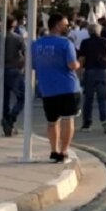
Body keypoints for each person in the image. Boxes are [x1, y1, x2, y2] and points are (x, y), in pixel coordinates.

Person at [32, 14, 81, 163]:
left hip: (47, 88)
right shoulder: (66, 43)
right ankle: (64, 151)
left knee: (52, 121)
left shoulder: (36, 44)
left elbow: (34, 65)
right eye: (66, 25)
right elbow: (72, 65)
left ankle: (54, 150)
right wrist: (78, 65)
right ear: (58, 25)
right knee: (67, 120)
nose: (68, 27)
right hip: (67, 87)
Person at [79, 23, 106, 134]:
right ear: (99, 31)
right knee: (102, 98)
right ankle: (104, 120)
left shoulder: (85, 43)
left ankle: (87, 124)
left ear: (89, 32)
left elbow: (82, 59)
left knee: (88, 99)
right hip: (102, 71)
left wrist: (79, 73)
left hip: (89, 71)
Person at [0, 17, 25, 137]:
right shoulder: (17, 38)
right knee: (23, 97)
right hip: (14, 70)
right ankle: (10, 119)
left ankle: (7, 124)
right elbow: (25, 52)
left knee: (4, 98)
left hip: (1, 70)